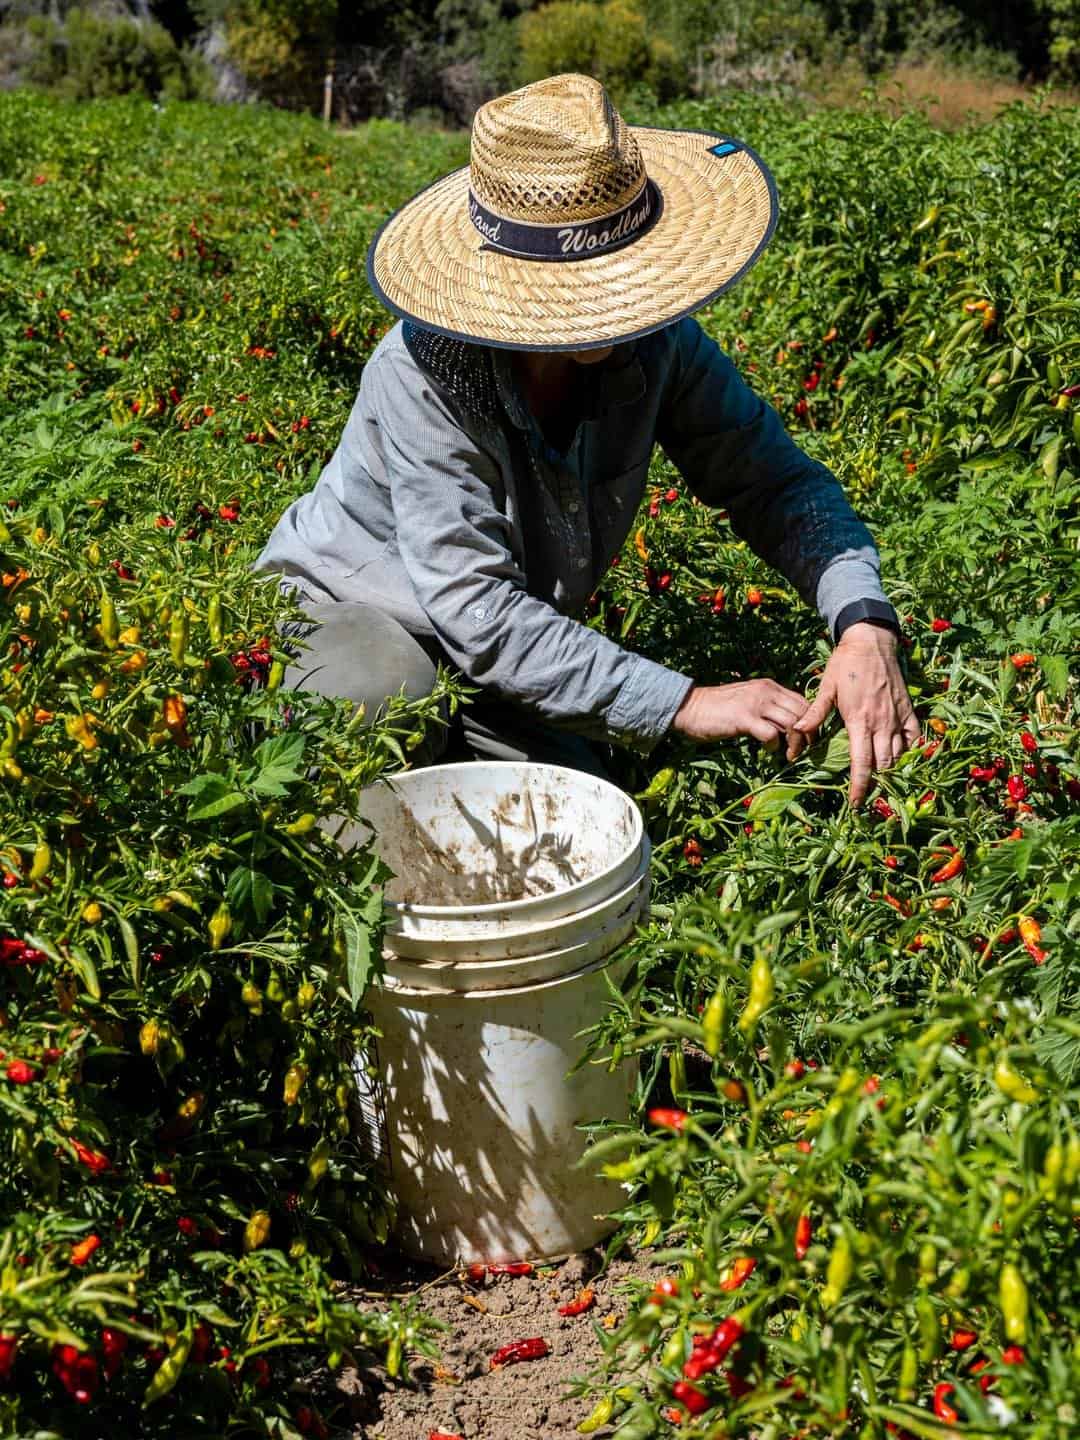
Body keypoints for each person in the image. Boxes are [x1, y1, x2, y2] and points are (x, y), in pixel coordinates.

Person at [255, 72, 919, 805]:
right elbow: (480, 611)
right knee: (384, 692)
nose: (610, 309)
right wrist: (685, 702)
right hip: (349, 618)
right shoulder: (423, 373)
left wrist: (862, 623)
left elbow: (775, 482)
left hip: (485, 655)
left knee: (583, 811)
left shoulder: (661, 346)